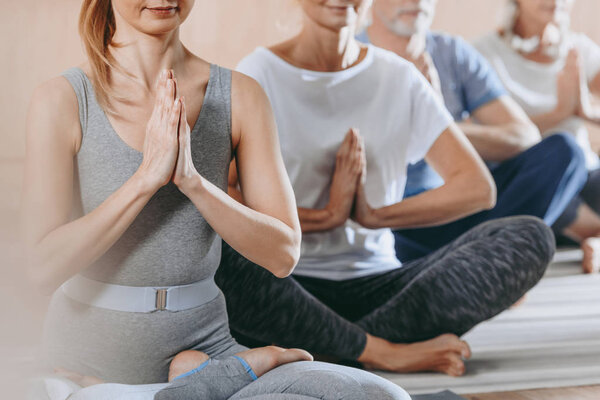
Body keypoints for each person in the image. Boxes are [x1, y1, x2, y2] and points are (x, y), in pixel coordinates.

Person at [21, 0, 410, 398]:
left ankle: (199, 381)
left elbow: (283, 254)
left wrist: (193, 182)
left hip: (207, 349)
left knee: (382, 395)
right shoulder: (63, 99)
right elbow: (40, 269)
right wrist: (144, 181)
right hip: (84, 362)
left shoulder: (240, 95)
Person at [216, 0, 555, 376]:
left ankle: (329, 348)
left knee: (530, 236)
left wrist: (373, 216)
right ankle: (383, 352)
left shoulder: (398, 76)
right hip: (283, 288)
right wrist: (326, 217)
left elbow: (476, 188)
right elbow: (226, 198)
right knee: (212, 243)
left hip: (380, 288)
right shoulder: (258, 73)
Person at [358, 0, 587, 262]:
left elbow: (524, 136)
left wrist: (436, 120)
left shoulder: (452, 52)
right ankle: (470, 267)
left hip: (456, 212)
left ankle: (487, 262)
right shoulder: (350, 57)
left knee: (565, 152)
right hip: (391, 223)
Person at [475, 0, 600, 273]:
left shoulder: (580, 49)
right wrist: (558, 114)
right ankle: (592, 234)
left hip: (587, 176)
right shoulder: (484, 55)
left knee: (577, 163)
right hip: (529, 178)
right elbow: (488, 137)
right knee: (552, 174)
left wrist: (585, 110)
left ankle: (592, 238)